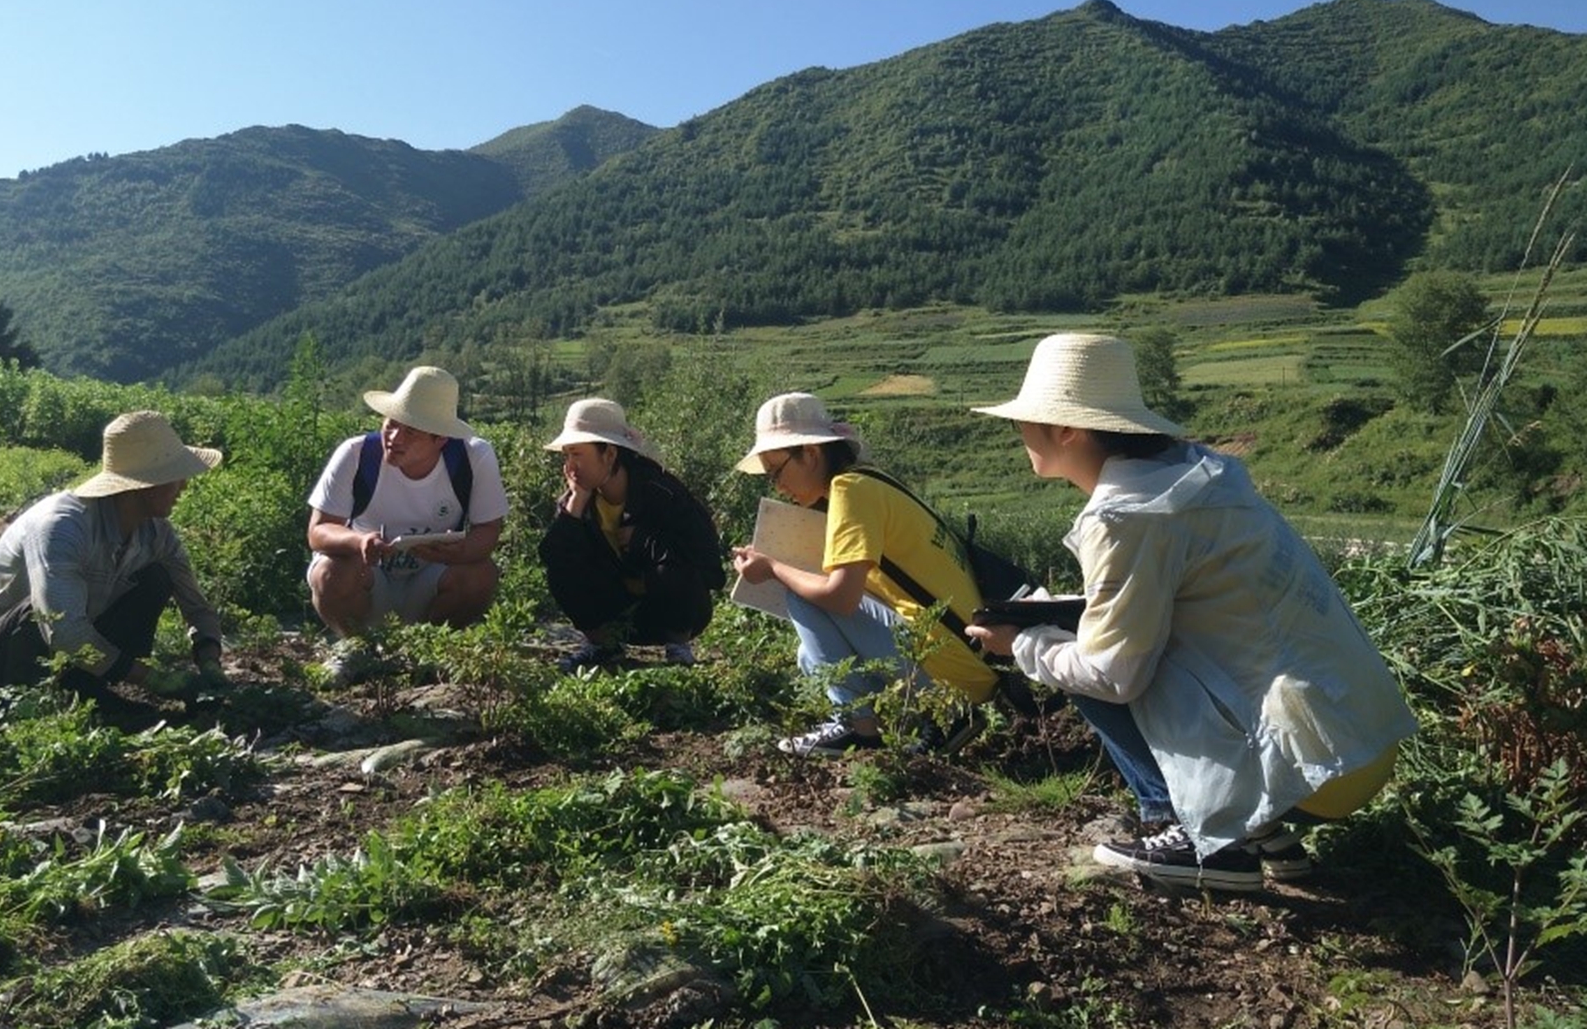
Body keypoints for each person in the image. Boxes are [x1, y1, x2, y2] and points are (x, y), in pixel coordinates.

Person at [969, 332, 1417, 892]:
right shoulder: (1199, 475)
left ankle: (1197, 836)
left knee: (1079, 656)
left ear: (1066, 429)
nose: (1018, 434)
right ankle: (1261, 827)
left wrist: (1022, 644)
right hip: (1356, 739)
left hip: (1312, 767)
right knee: (1090, 634)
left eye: (1025, 421)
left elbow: (1115, 674)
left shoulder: (1128, 517)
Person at [731, 392, 1001, 756]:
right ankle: (913, 718)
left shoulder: (848, 491)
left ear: (809, 454)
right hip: (966, 663)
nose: (777, 486)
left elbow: (840, 598)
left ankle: (860, 726)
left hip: (950, 669)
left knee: (800, 593)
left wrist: (773, 568)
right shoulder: (869, 481)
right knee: (808, 658)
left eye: (776, 471)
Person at [0, 410, 226, 713]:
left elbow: (196, 607)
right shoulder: (62, 526)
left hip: (61, 653)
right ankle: (37, 705)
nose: (183, 486)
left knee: (156, 578)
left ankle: (82, 688)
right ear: (145, 484)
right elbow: (64, 631)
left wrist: (209, 657)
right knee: (42, 611)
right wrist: (152, 679)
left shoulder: (156, 534)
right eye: (175, 477)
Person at [305, 367, 507, 657]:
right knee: (329, 572)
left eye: (410, 431)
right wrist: (358, 542)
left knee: (481, 575)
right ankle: (356, 651)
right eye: (391, 424)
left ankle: (428, 653)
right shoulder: (357, 454)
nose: (395, 437)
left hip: (430, 582)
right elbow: (318, 530)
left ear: (440, 439)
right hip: (368, 578)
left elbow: (489, 531)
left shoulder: (474, 458)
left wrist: (460, 552)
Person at [537, 398, 724, 672]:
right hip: (619, 614)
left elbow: (708, 564)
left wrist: (644, 541)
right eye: (566, 455)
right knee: (561, 564)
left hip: (677, 613)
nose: (569, 466)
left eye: (577, 454)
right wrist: (577, 501)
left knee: (669, 560)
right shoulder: (577, 501)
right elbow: (553, 556)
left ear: (609, 454)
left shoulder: (663, 492)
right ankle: (603, 645)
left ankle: (678, 649)